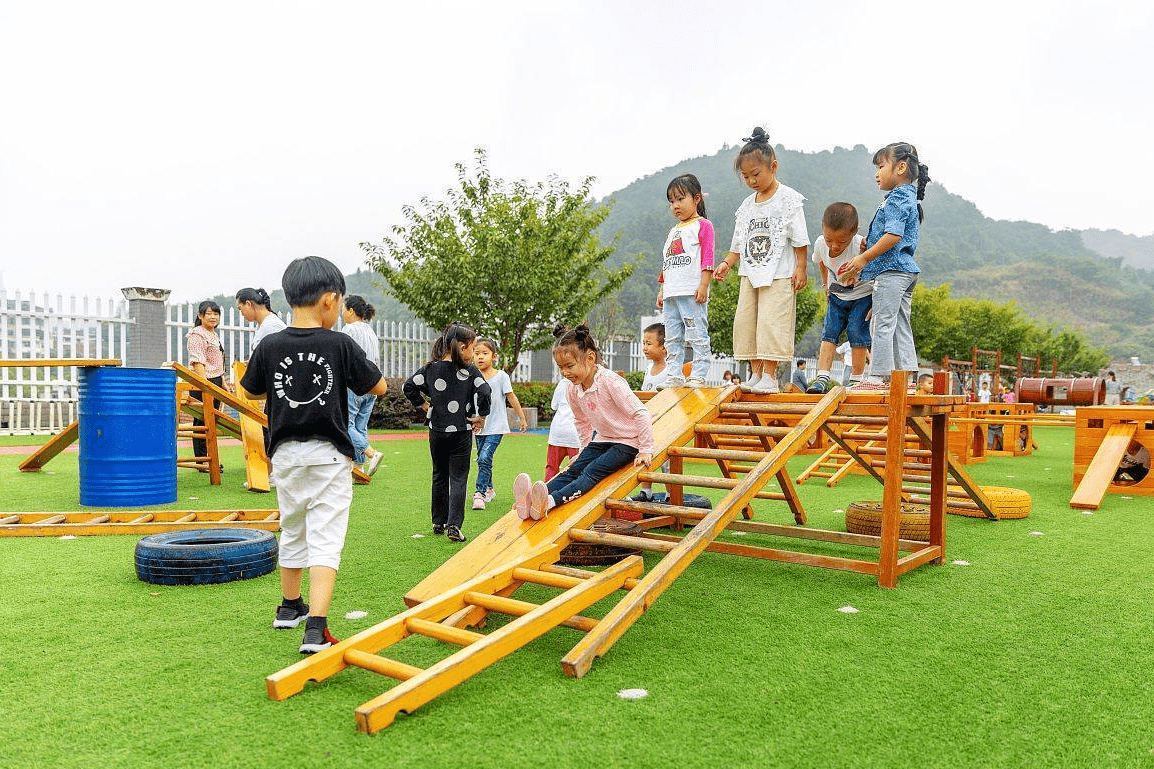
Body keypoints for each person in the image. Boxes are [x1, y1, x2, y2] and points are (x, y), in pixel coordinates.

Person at [239, 256, 387, 655]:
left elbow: (250, 390)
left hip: (285, 455)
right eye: (339, 305)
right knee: (326, 536)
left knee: (292, 527)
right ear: (329, 300)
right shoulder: (340, 344)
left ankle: (289, 607)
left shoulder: (271, 344)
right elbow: (379, 387)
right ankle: (316, 628)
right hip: (329, 456)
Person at [512, 324, 653, 520]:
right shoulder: (572, 389)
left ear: (590, 358)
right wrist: (583, 451)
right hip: (602, 439)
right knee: (572, 469)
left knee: (590, 472)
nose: (565, 372)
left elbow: (641, 413)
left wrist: (645, 449)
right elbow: (582, 422)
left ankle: (550, 501)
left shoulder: (610, 382)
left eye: (569, 366)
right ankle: (531, 499)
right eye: (561, 367)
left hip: (628, 442)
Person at [713, 127, 810, 395]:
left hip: (780, 274)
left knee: (772, 322)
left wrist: (802, 269)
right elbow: (737, 244)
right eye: (746, 177)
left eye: (756, 174)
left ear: (773, 166)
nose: (751, 180)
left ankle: (770, 375)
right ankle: (756, 374)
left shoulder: (788, 199)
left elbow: (800, 238)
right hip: (750, 273)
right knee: (747, 322)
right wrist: (726, 264)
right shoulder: (746, 206)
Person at [840, 143, 931, 391]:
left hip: (892, 271)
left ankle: (878, 377)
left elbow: (893, 235)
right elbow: (891, 235)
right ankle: (907, 379)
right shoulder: (907, 197)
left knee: (881, 322)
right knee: (900, 323)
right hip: (906, 271)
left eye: (881, 166)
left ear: (900, 167)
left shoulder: (897, 197)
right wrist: (871, 245)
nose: (876, 173)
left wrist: (864, 258)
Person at [403, 323, 492, 542]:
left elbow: (409, 386)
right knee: (459, 478)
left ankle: (438, 521)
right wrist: (481, 415)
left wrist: (425, 406)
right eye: (472, 348)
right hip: (461, 431)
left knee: (439, 474)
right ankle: (454, 526)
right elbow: (485, 390)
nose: (473, 354)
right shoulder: (469, 371)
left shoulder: (431, 368)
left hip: (437, 431)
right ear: (462, 347)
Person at [656, 174, 714, 389]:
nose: (675, 206)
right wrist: (662, 290)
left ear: (696, 198)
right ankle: (673, 375)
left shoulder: (703, 225)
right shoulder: (673, 231)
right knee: (672, 337)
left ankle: (698, 374)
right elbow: (667, 262)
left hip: (691, 291)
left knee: (697, 333)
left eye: (680, 199)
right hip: (671, 293)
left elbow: (708, 257)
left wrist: (704, 285)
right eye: (671, 201)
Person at [807, 203, 872, 394]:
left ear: (853, 233)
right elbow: (821, 261)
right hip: (836, 294)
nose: (834, 246)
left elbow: (875, 266)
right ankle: (822, 378)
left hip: (861, 295)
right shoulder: (820, 243)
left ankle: (856, 379)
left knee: (856, 332)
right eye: (830, 240)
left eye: (841, 241)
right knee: (830, 333)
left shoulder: (861, 245)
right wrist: (825, 285)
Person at [471, 339, 528, 510]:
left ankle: (479, 493)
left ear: (494, 356)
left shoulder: (501, 376)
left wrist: (522, 418)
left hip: (496, 426)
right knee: (483, 459)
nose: (480, 357)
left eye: (485, 353)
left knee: (484, 457)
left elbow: (512, 397)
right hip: (479, 427)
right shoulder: (472, 376)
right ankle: (489, 488)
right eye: (477, 353)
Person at [341, 295, 384, 476]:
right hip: (372, 383)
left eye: (343, 309)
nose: (341, 313)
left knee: (347, 424)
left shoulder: (349, 330)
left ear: (351, 310)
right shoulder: (370, 331)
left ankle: (371, 453)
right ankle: (358, 467)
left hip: (354, 384)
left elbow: (345, 358)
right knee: (360, 426)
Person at [186, 300, 227, 471]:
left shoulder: (213, 334)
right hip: (203, 382)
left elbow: (217, 361)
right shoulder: (197, 334)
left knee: (212, 421)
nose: (212, 317)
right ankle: (202, 461)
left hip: (215, 380)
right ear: (200, 316)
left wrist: (222, 381)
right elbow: (197, 361)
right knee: (201, 421)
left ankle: (210, 459)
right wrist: (205, 386)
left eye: (215, 313)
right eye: (208, 313)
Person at [545, 379, 580, 481]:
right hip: (575, 434)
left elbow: (553, 406)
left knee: (552, 467)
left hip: (558, 432)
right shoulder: (585, 383)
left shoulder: (563, 383)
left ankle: (547, 493)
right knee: (577, 469)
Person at [235, 287, 286, 353]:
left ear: (248, 304)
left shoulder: (272, 326)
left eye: (240, 308)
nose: (241, 314)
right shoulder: (262, 324)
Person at [641, 323, 670, 391]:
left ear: (664, 347)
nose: (645, 348)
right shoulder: (649, 368)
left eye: (649, 344)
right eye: (644, 343)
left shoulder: (670, 370)